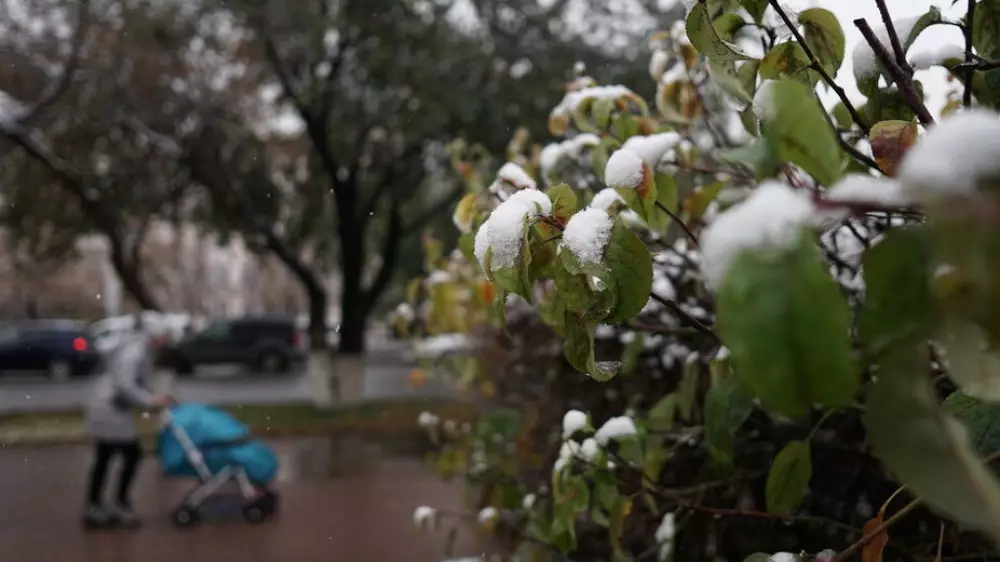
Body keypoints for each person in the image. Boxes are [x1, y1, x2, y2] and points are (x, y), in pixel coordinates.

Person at [82, 317, 172, 529]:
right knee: (132, 454)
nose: (164, 341)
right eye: (162, 336)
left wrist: (151, 396)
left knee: (104, 457)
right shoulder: (135, 351)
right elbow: (125, 384)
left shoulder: (135, 346)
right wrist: (151, 400)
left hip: (108, 407)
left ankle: (95, 506)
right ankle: (119, 504)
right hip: (111, 410)